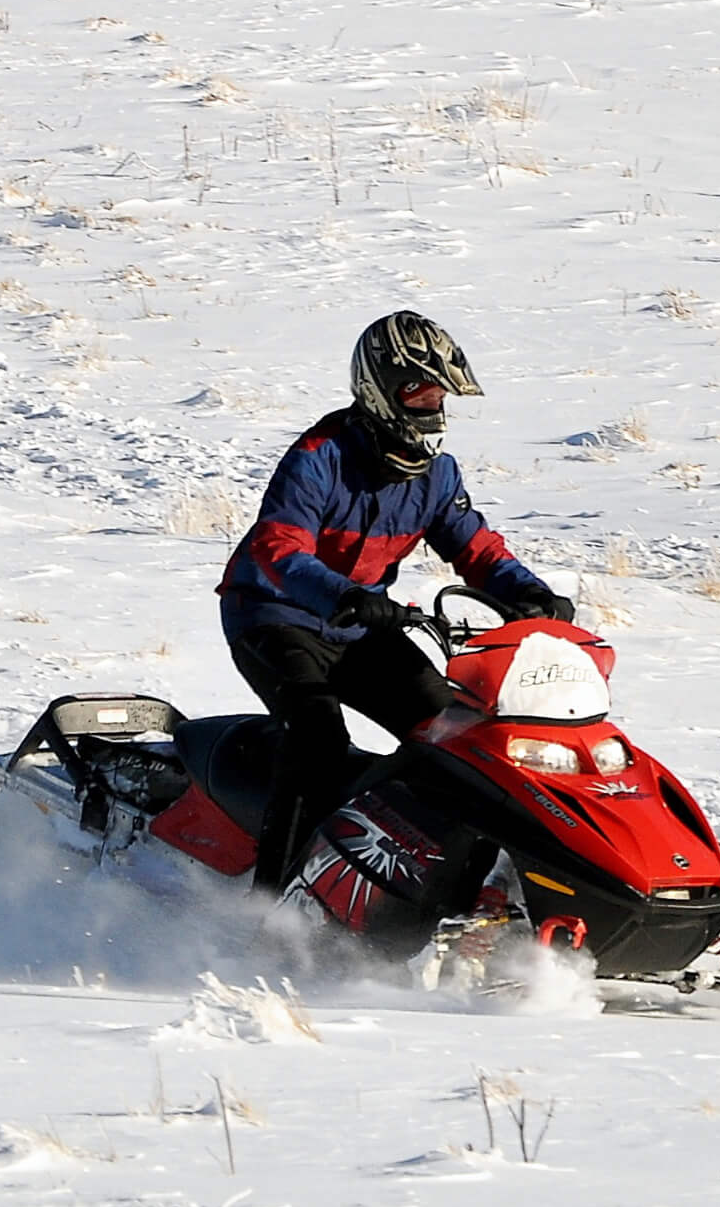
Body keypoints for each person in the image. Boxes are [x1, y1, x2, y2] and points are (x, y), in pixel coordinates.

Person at [217, 311, 574, 890]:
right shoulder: (318, 457)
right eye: (418, 394)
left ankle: (464, 884)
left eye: (440, 397)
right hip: (275, 617)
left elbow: (478, 550)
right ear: (379, 393)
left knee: (460, 734)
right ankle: (272, 901)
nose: (432, 410)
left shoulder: (438, 474)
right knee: (318, 742)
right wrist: (345, 595)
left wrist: (529, 592)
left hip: (361, 628)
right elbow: (278, 549)